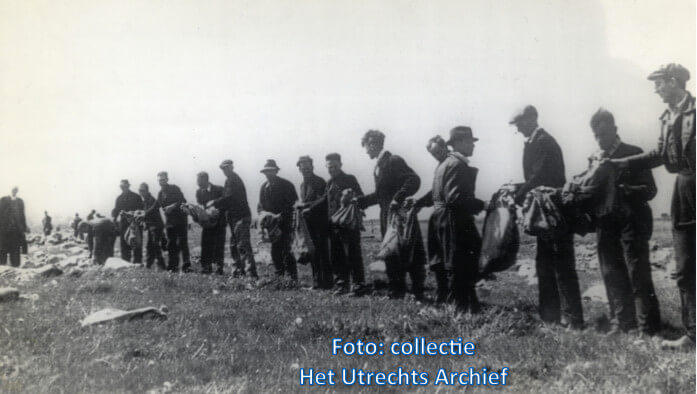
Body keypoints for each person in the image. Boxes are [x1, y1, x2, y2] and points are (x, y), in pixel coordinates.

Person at [611, 64, 695, 349]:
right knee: (685, 267)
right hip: (683, 188)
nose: (656, 90)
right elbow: (659, 154)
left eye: (659, 84)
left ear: (673, 82)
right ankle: (693, 335)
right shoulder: (666, 116)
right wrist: (622, 163)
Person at [579, 109, 660, 336]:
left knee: (637, 273)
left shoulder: (634, 153)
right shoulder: (594, 159)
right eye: (596, 135)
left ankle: (648, 328)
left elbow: (651, 190)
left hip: (632, 222)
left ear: (615, 130)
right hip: (605, 223)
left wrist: (627, 191)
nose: (600, 139)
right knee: (610, 272)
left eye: (604, 133)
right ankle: (622, 323)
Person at [509, 105, 584, 329]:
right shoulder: (535, 141)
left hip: (553, 212)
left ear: (532, 119)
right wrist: (518, 188)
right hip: (544, 211)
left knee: (562, 267)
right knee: (545, 265)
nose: (518, 128)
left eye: (520, 123)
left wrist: (518, 194)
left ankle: (574, 320)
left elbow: (540, 176)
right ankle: (550, 317)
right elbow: (535, 178)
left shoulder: (543, 142)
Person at [414, 130, 485, 312]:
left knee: (447, 264)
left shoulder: (443, 165)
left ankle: (466, 305)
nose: (474, 145)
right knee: (459, 264)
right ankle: (460, 309)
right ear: (459, 142)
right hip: (454, 220)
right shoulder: (457, 164)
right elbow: (456, 199)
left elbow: (438, 194)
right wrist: (484, 205)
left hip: (441, 218)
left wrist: (419, 203)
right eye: (470, 141)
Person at [358, 130, 424, 299]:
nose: (365, 151)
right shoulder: (378, 167)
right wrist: (359, 202)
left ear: (373, 144)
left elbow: (414, 180)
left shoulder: (393, 160)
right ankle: (396, 291)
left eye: (366, 147)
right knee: (391, 252)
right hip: (386, 216)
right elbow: (381, 195)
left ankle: (418, 291)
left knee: (409, 251)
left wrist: (398, 198)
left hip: (400, 216)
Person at [414, 136, 452, 302]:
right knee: (436, 259)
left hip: (448, 217)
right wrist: (420, 202)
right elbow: (435, 192)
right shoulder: (440, 166)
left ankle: (450, 295)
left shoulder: (452, 164)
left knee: (448, 259)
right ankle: (442, 293)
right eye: (433, 154)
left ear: (445, 146)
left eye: (438, 151)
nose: (436, 155)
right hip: (437, 216)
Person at [325, 153, 367, 296]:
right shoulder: (329, 183)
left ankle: (359, 286)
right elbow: (325, 201)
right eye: (330, 167)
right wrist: (307, 207)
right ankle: (341, 285)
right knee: (336, 256)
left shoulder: (349, 179)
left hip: (348, 224)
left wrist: (353, 198)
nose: (332, 169)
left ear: (341, 165)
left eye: (335, 166)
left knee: (353, 255)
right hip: (334, 225)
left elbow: (360, 196)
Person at [213, 159, 258, 279]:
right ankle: (238, 272)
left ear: (231, 167)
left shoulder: (233, 180)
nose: (225, 170)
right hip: (234, 218)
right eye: (223, 169)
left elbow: (229, 198)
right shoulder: (229, 180)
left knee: (243, 245)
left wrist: (214, 203)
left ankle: (251, 275)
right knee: (234, 246)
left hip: (241, 217)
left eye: (227, 168)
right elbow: (227, 200)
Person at [296, 155, 332, 289]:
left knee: (323, 252)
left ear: (312, 167)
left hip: (320, 222)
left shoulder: (320, 181)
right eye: (302, 167)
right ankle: (317, 282)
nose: (305, 169)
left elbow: (323, 200)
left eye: (307, 167)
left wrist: (306, 206)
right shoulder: (302, 185)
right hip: (308, 223)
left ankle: (327, 283)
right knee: (313, 253)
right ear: (299, 169)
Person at [258, 160, 299, 280]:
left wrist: (281, 215)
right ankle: (279, 277)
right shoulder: (263, 187)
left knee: (287, 250)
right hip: (272, 226)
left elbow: (293, 204)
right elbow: (260, 206)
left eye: (271, 171)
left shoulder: (287, 185)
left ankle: (292, 278)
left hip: (286, 223)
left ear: (276, 171)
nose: (268, 174)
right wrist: (263, 216)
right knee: (275, 251)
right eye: (266, 172)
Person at [157, 171, 190, 272]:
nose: (161, 182)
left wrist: (173, 206)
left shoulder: (174, 188)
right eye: (159, 180)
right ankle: (173, 266)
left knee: (183, 243)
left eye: (163, 180)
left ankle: (187, 266)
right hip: (170, 222)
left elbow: (183, 201)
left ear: (167, 179)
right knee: (171, 244)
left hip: (180, 220)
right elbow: (158, 207)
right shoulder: (160, 193)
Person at [196, 172, 227, 275]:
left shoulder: (219, 189)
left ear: (206, 180)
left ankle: (219, 268)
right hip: (207, 223)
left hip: (219, 222)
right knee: (205, 244)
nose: (198, 184)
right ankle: (206, 268)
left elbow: (226, 202)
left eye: (200, 182)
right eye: (197, 182)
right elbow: (200, 206)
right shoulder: (199, 192)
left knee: (219, 245)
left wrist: (217, 210)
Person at [112, 179, 144, 264]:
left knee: (137, 245)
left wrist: (131, 214)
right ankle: (126, 266)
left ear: (128, 186)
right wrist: (114, 218)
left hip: (135, 224)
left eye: (125, 186)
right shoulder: (119, 198)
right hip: (124, 225)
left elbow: (141, 210)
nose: (123, 188)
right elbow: (115, 211)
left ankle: (138, 266)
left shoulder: (136, 197)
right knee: (124, 247)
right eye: (121, 186)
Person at [139, 182, 166, 269]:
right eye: (140, 191)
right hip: (151, 226)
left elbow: (151, 211)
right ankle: (149, 265)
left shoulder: (152, 200)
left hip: (156, 226)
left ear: (147, 191)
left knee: (155, 245)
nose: (141, 193)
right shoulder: (145, 201)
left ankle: (161, 266)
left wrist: (143, 216)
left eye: (143, 191)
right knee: (150, 246)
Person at [0, 187, 28, 267]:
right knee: (2, 247)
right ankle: (2, 266)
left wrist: (24, 227)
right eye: (13, 189)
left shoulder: (20, 201)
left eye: (16, 190)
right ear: (10, 190)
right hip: (4, 229)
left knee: (15, 248)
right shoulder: (3, 200)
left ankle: (15, 265)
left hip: (16, 229)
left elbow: (22, 215)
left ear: (17, 191)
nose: (14, 191)